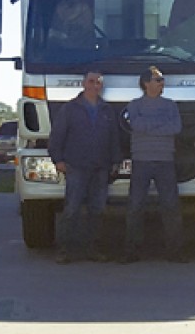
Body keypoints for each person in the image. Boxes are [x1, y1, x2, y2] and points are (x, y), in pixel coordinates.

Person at [48, 71, 121, 264]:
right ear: (83, 84)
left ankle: (93, 249)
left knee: (97, 210)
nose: (94, 85)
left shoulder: (107, 110)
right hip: (76, 166)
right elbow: (56, 137)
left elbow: (114, 138)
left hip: (101, 167)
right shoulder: (70, 109)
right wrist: (58, 160)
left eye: (98, 82)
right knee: (71, 209)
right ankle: (65, 251)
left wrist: (116, 161)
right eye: (91, 81)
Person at [120, 66, 188, 263]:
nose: (161, 83)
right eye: (158, 80)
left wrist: (148, 126)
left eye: (162, 80)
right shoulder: (134, 105)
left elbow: (175, 127)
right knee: (135, 206)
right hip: (141, 160)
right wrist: (159, 125)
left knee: (171, 206)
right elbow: (136, 125)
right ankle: (131, 251)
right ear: (146, 83)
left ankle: (175, 251)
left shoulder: (171, 105)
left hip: (165, 160)